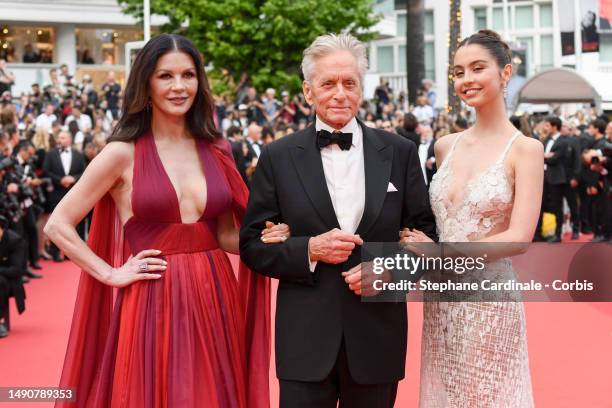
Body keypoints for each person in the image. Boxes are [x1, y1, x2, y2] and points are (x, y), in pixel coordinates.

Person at [45, 34, 276, 408]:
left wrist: (268, 236)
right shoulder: (121, 153)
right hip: (153, 298)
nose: (179, 86)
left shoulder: (216, 148)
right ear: (146, 83)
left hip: (217, 295)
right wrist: (110, 274)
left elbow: (228, 236)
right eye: (165, 76)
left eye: (188, 75)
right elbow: (58, 224)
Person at [240, 33, 436, 408]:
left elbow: (426, 236)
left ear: (361, 88)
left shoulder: (400, 152)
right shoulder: (278, 156)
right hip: (304, 340)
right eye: (328, 83)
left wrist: (391, 270)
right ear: (308, 91)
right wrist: (308, 249)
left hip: (377, 338)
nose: (340, 93)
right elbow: (251, 245)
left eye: (350, 83)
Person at [402, 29, 543, 407]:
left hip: (490, 299)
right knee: (447, 392)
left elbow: (520, 238)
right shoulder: (446, 145)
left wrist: (442, 253)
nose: (466, 80)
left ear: (505, 72)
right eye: (458, 72)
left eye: (477, 68)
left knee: (486, 397)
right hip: (442, 298)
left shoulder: (526, 150)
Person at [43, 129, 86, 262]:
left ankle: (71, 254)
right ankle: (55, 252)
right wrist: (60, 180)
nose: (59, 140)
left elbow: (84, 173)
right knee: (56, 223)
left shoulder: (78, 155)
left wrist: (73, 179)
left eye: (62, 138)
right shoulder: (50, 154)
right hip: (56, 193)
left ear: (69, 140)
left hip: (73, 194)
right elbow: (46, 171)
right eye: (59, 138)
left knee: (74, 223)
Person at [535, 116, 568, 242]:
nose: (545, 128)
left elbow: (555, 159)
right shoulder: (546, 139)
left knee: (557, 206)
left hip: (556, 179)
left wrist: (544, 156)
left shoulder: (563, 141)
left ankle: (558, 234)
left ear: (554, 127)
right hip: (543, 178)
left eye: (547, 125)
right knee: (540, 206)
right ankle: (538, 234)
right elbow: (539, 155)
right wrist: (545, 156)